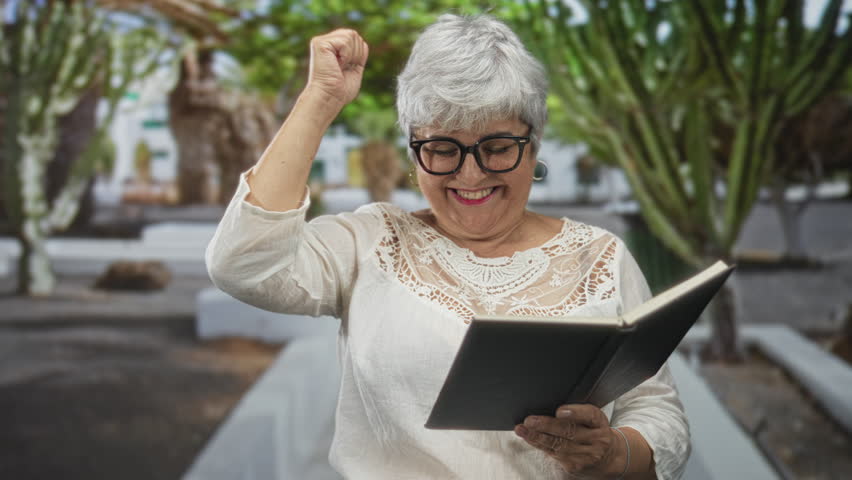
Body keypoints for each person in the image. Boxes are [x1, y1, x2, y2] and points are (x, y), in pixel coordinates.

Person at [206, 13, 690, 479]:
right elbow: (241, 264)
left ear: (534, 146)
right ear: (414, 153)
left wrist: (612, 455)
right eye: (442, 149)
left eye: (497, 147)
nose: (471, 175)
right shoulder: (371, 243)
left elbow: (655, 409)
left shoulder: (599, 256)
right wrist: (320, 98)